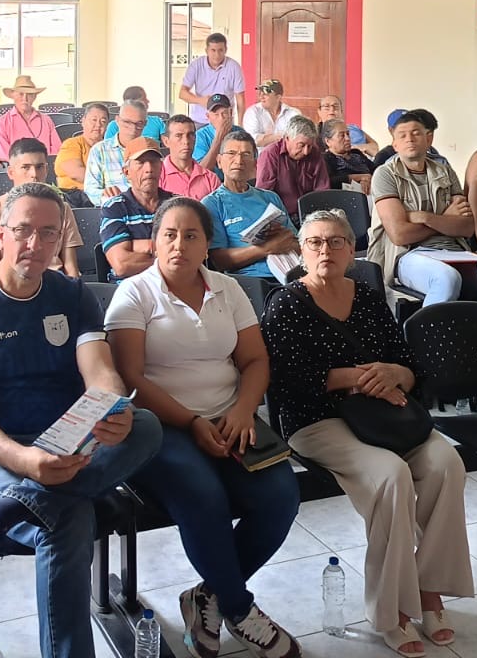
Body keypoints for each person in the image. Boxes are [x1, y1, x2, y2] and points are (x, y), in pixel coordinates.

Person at [0, 183, 162, 658]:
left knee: (144, 426)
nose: (34, 244)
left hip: (65, 439)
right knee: (67, 516)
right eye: (23, 230)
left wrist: (112, 408)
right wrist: (26, 460)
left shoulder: (73, 295)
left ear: (61, 239)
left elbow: (100, 371)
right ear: (0, 233)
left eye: (48, 233)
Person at [264, 210, 473, 653]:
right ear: (301, 252)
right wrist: (356, 377)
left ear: (351, 251)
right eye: (315, 242)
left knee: (445, 463)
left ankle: (429, 589)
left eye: (336, 241)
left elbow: (408, 365)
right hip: (316, 419)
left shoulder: (368, 297)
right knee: (390, 475)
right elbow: (283, 381)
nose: (326, 250)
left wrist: (396, 373)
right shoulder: (286, 304)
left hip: (382, 415)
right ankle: (392, 609)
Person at [106, 197, 301, 658]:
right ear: (155, 242)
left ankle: (208, 596)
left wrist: (243, 410)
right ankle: (240, 608)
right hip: (159, 427)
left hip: (231, 417)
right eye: (169, 235)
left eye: (191, 235)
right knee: (204, 496)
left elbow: (255, 361)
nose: (179, 245)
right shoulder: (134, 294)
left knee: (280, 496)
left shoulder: (227, 289)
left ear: (207, 244)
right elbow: (129, 379)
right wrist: (192, 422)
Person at [368, 110, 473, 307]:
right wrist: (446, 219)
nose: (409, 139)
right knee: (446, 279)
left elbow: (467, 227)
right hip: (408, 254)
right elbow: (400, 235)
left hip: (456, 251)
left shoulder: (445, 172)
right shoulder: (385, 175)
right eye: (402, 135)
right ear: (395, 144)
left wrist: (425, 217)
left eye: (416, 133)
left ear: (428, 139)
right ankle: (423, 328)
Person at [0, 140, 83, 279]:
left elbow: (71, 267)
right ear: (11, 172)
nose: (34, 174)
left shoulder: (62, 208)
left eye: (39, 167)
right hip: (11, 284)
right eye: (25, 167)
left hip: (55, 283)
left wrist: (74, 289)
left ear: (46, 170)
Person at [205, 130, 300, 281]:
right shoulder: (212, 204)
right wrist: (266, 249)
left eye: (246, 154)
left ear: (255, 163)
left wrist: (284, 237)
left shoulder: (270, 197)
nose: (239, 160)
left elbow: (297, 244)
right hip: (250, 281)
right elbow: (218, 261)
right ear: (219, 161)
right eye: (231, 153)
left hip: (289, 273)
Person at [100, 137, 164, 279]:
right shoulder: (114, 208)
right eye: (140, 163)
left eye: (153, 162)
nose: (149, 169)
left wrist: (136, 246)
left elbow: (192, 254)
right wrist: (161, 251)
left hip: (173, 286)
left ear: (161, 167)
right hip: (130, 287)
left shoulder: (177, 204)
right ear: (127, 172)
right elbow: (122, 265)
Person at [255, 116, 329, 219]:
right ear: (287, 138)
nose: (306, 152)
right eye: (301, 145)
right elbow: (263, 195)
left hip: (311, 214)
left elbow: (322, 190)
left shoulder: (314, 153)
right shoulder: (270, 155)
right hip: (281, 216)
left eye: (310, 146)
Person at [85, 99, 146, 205]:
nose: (133, 128)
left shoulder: (150, 150)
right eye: (127, 122)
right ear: (117, 120)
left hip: (147, 208)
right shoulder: (99, 150)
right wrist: (104, 194)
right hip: (114, 206)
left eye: (139, 123)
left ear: (145, 124)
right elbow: (91, 189)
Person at [180, 32, 246, 125]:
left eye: (220, 50)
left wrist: (240, 124)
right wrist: (200, 100)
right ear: (206, 50)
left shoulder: (234, 67)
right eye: (213, 50)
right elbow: (182, 93)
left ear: (226, 50)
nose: (217, 54)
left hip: (225, 121)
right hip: (200, 121)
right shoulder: (196, 65)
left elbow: (240, 98)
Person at [0, 75, 60, 162]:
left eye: (29, 94)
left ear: (34, 97)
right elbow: (4, 157)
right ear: (13, 96)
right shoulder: (2, 123)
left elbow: (57, 151)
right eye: (21, 94)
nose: (25, 98)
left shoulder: (46, 120)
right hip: (16, 169)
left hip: (46, 167)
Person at [56, 102, 109, 208]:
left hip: (105, 197)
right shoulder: (72, 144)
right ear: (83, 121)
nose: (98, 125)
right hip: (75, 198)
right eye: (94, 120)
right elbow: (76, 173)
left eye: (103, 121)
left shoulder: (109, 148)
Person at [159, 114, 219, 200]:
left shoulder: (210, 178)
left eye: (190, 135)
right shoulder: (157, 176)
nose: (186, 141)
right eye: (179, 136)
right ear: (166, 141)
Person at [242, 80, 300, 148]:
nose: (261, 97)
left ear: (278, 97)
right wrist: (280, 136)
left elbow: (298, 139)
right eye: (260, 93)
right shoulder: (252, 112)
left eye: (266, 94)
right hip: (260, 154)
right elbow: (252, 141)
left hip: (285, 153)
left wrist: (265, 139)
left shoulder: (293, 114)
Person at [323, 119, 374, 192]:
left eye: (348, 134)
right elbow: (329, 182)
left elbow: (376, 171)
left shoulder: (356, 153)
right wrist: (360, 177)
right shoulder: (325, 159)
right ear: (328, 141)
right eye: (342, 135)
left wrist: (368, 180)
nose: (347, 138)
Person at [193, 94, 236, 173]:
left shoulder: (239, 132)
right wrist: (219, 138)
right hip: (211, 180)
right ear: (208, 116)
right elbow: (201, 171)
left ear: (230, 113)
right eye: (216, 114)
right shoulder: (200, 136)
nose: (221, 118)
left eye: (224, 113)